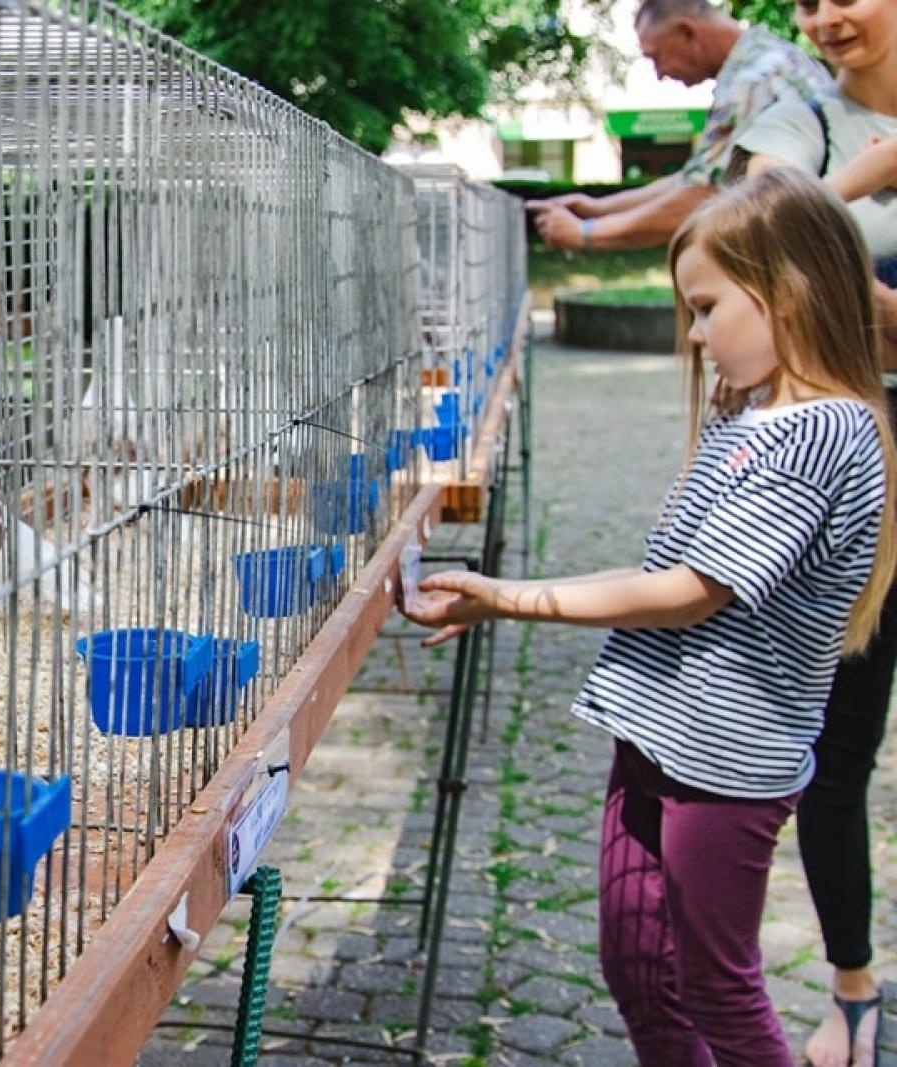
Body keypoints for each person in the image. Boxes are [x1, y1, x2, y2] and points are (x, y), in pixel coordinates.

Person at [404, 168, 897, 1066]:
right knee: (635, 963)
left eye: (708, 309)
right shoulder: (754, 418)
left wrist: (512, 596)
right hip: (660, 732)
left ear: (787, 291)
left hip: (726, 761)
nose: (698, 335)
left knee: (716, 981)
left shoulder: (819, 431)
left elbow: (690, 589)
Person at [733, 2, 897, 1062]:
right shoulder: (803, 123)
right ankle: (851, 983)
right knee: (836, 753)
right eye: (804, 0)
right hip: (859, 455)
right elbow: (745, 242)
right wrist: (869, 173)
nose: (824, 16)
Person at [529, 0, 830, 253]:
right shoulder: (758, 63)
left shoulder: (755, 79)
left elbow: (706, 195)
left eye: (656, 57)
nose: (659, 74)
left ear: (687, 32)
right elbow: (694, 178)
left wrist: (587, 234)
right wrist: (596, 208)